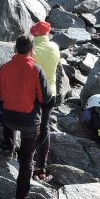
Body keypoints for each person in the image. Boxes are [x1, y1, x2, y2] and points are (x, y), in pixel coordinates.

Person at [0, 35, 53, 199]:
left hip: (8, 118)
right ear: (31, 50)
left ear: (15, 49)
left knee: (9, 120)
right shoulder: (36, 69)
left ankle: (8, 146)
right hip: (28, 121)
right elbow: (45, 99)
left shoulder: (4, 68)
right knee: (27, 161)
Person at [30, 21, 60, 180]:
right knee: (45, 127)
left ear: (34, 34)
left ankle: (27, 160)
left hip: (34, 94)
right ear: (47, 33)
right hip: (51, 93)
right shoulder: (55, 47)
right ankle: (41, 167)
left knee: (32, 126)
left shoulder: (32, 50)